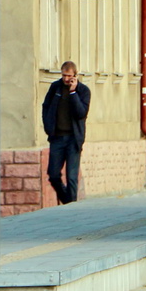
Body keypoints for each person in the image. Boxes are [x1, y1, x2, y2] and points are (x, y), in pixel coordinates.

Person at [41, 61, 91, 204]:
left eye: (69, 76)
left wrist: (73, 92)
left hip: (73, 139)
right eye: (63, 75)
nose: (66, 79)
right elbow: (46, 107)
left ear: (75, 75)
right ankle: (67, 201)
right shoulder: (55, 88)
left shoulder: (83, 91)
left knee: (71, 176)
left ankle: (71, 206)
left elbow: (81, 113)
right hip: (57, 137)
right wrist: (48, 126)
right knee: (53, 174)